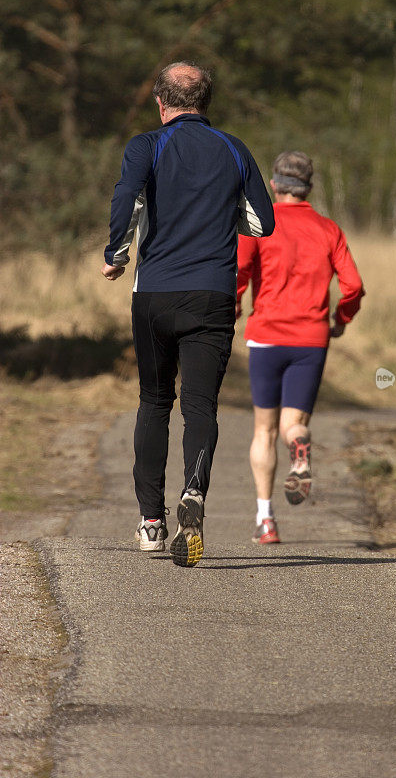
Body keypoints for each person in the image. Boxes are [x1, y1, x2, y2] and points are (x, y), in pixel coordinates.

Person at [101, 62, 274, 566]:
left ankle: (151, 522)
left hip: (154, 294)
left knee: (154, 401)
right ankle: (193, 493)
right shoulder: (233, 147)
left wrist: (117, 254)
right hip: (213, 295)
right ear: (206, 102)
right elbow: (263, 223)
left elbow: (126, 198)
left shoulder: (146, 146)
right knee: (200, 407)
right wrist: (220, 215)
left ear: (161, 102)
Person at [236, 151, 365, 544]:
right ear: (309, 187)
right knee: (293, 425)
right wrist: (340, 320)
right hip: (311, 337)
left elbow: (238, 271)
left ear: (274, 185)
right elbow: (354, 286)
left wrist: (235, 306)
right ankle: (300, 445)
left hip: (267, 335)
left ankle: (266, 520)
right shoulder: (329, 230)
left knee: (264, 430)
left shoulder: (260, 225)